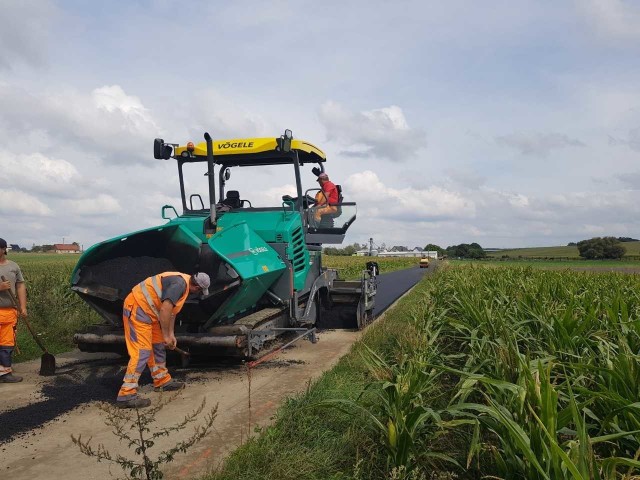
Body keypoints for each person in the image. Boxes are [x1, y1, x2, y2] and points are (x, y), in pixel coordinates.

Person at [116, 271, 210, 408]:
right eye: (199, 291)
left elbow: (171, 312)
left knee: (157, 346)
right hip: (137, 308)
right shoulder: (178, 285)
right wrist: (166, 335)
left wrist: (171, 335)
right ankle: (126, 394)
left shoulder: (184, 285)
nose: (197, 294)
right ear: (196, 287)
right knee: (142, 352)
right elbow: (165, 310)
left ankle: (161, 380)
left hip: (150, 313)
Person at [0, 238, 27, 383]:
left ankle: (5, 374)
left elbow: (20, 286)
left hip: (10, 312)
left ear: (4, 249)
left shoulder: (13, 267)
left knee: (7, 345)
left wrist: (23, 307)